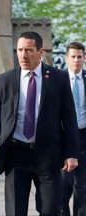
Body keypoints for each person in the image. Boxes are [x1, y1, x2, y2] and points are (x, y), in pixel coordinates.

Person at [0, 31, 79, 216]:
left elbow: (69, 119)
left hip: (48, 156)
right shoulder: (3, 80)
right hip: (16, 155)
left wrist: (70, 153)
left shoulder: (58, 79)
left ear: (40, 52)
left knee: (51, 210)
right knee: (15, 211)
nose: (23, 55)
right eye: (20, 50)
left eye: (29, 50)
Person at [59, 42, 86, 216]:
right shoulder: (57, 80)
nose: (76, 60)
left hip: (84, 138)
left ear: (84, 59)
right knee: (62, 188)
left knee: (83, 188)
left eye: (79, 57)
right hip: (62, 140)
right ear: (66, 58)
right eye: (73, 56)